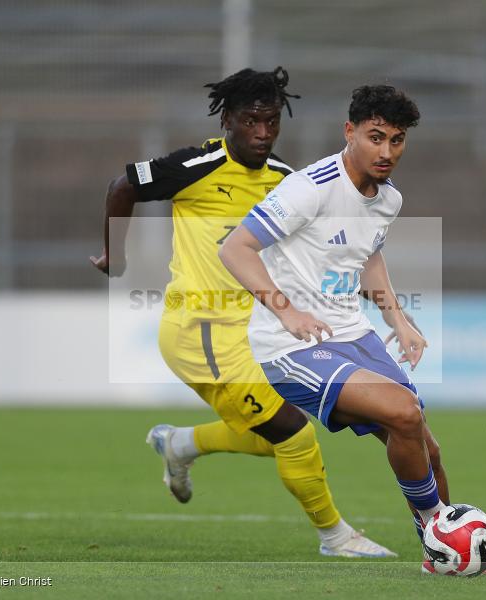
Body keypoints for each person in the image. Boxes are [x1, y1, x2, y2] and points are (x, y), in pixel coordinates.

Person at [91, 67, 394, 558]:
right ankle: (336, 537)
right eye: (251, 121)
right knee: (293, 432)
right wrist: (115, 256)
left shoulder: (283, 180)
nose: (262, 133)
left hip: (256, 332)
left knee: (275, 433)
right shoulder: (197, 165)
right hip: (200, 330)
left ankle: (180, 445)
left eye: (271, 122)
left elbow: (316, 248)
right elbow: (121, 186)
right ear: (228, 119)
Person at [219, 84, 468, 566]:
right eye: (376, 137)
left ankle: (440, 553)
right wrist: (284, 309)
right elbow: (234, 248)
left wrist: (398, 319)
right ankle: (443, 531)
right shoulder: (308, 188)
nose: (387, 151)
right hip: (290, 349)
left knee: (426, 448)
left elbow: (367, 255)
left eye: (397, 141)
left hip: (353, 335)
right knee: (405, 413)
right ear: (350, 132)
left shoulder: (388, 199)